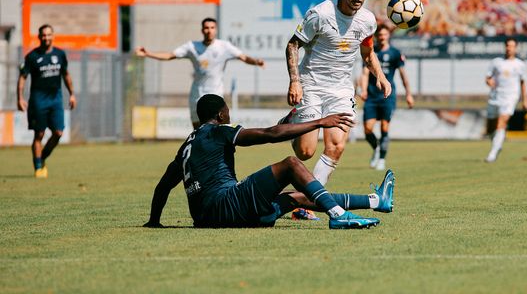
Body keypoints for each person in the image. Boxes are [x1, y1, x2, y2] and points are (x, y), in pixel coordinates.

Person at [143, 94, 395, 229]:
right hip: (226, 206)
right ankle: (339, 214)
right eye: (227, 110)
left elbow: (163, 186)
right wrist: (320, 122)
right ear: (221, 114)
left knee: (295, 197)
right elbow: (270, 135)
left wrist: (154, 221)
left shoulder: (186, 145)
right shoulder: (219, 131)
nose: (229, 114)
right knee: (291, 164)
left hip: (207, 217)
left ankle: (376, 201)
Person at [283, 0, 391, 192]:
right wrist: (295, 81)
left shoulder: (368, 20)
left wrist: (380, 76)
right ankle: (293, 120)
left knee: (336, 146)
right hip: (311, 85)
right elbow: (293, 45)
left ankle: (308, 199)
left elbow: (368, 53)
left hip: (341, 90)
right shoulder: (320, 14)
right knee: (306, 151)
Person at [135, 17, 265, 129]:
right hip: (197, 94)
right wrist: (147, 53)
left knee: (217, 128)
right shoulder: (192, 46)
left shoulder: (224, 46)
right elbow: (170, 55)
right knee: (198, 130)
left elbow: (243, 57)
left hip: (215, 93)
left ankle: (215, 156)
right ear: (202, 30)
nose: (209, 30)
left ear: (216, 29)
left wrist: (256, 62)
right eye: (206, 27)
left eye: (212, 27)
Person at [16, 24, 77, 178]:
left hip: (56, 98)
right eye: (43, 35)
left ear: (53, 36)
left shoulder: (60, 54)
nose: (46, 38)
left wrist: (72, 94)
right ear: (39, 37)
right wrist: (20, 98)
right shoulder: (32, 57)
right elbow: (22, 77)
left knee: (58, 132)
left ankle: (41, 157)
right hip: (38, 100)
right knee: (39, 134)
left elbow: (66, 75)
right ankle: (38, 168)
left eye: (49, 35)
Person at [359, 25, 414, 171]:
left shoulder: (395, 53)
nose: (382, 37)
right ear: (376, 36)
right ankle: (376, 148)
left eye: (385, 34)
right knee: (367, 129)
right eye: (380, 35)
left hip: (387, 96)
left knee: (384, 127)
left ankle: (382, 159)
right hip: (371, 96)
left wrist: (408, 94)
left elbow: (403, 75)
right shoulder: (370, 51)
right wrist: (363, 90)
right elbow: (365, 73)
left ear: (388, 35)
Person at [484, 37, 527, 163]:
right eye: (508, 46)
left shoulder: (520, 65)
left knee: (502, 122)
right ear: (505, 47)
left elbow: (523, 83)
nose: (510, 48)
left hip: (510, 97)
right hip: (495, 96)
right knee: (490, 128)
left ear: (516, 48)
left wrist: (525, 100)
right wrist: (489, 82)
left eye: (512, 46)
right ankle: (497, 144)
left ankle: (492, 154)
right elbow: (488, 78)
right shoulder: (496, 62)